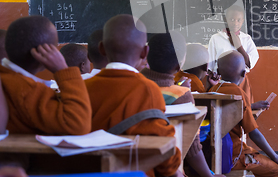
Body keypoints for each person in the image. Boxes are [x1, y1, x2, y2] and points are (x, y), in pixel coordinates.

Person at [84, 14, 181, 177]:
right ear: (145, 52)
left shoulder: (82, 88)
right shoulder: (148, 90)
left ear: (101, 49)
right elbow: (162, 148)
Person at [142, 32, 223, 177]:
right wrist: (210, 176)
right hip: (168, 170)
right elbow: (192, 144)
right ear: (180, 65)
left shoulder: (133, 86)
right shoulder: (182, 94)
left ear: (145, 54)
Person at [0, 15, 91, 135]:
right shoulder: (27, 91)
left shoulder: (6, 76)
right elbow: (78, 124)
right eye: (54, 47)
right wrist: (63, 70)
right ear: (43, 53)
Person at [209, 51, 278, 177]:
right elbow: (254, 133)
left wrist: (250, 106)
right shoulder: (239, 93)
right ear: (243, 73)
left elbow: (229, 108)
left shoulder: (212, 89)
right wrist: (276, 157)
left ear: (218, 71)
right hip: (233, 154)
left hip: (212, 151)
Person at [208, 5, 269, 110]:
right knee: (223, 110)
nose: (235, 23)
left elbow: (250, 63)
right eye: (232, 19)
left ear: (243, 21)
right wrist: (213, 75)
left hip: (241, 81)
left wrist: (239, 46)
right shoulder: (216, 38)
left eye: (238, 20)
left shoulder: (246, 39)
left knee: (244, 110)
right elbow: (210, 62)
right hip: (220, 82)